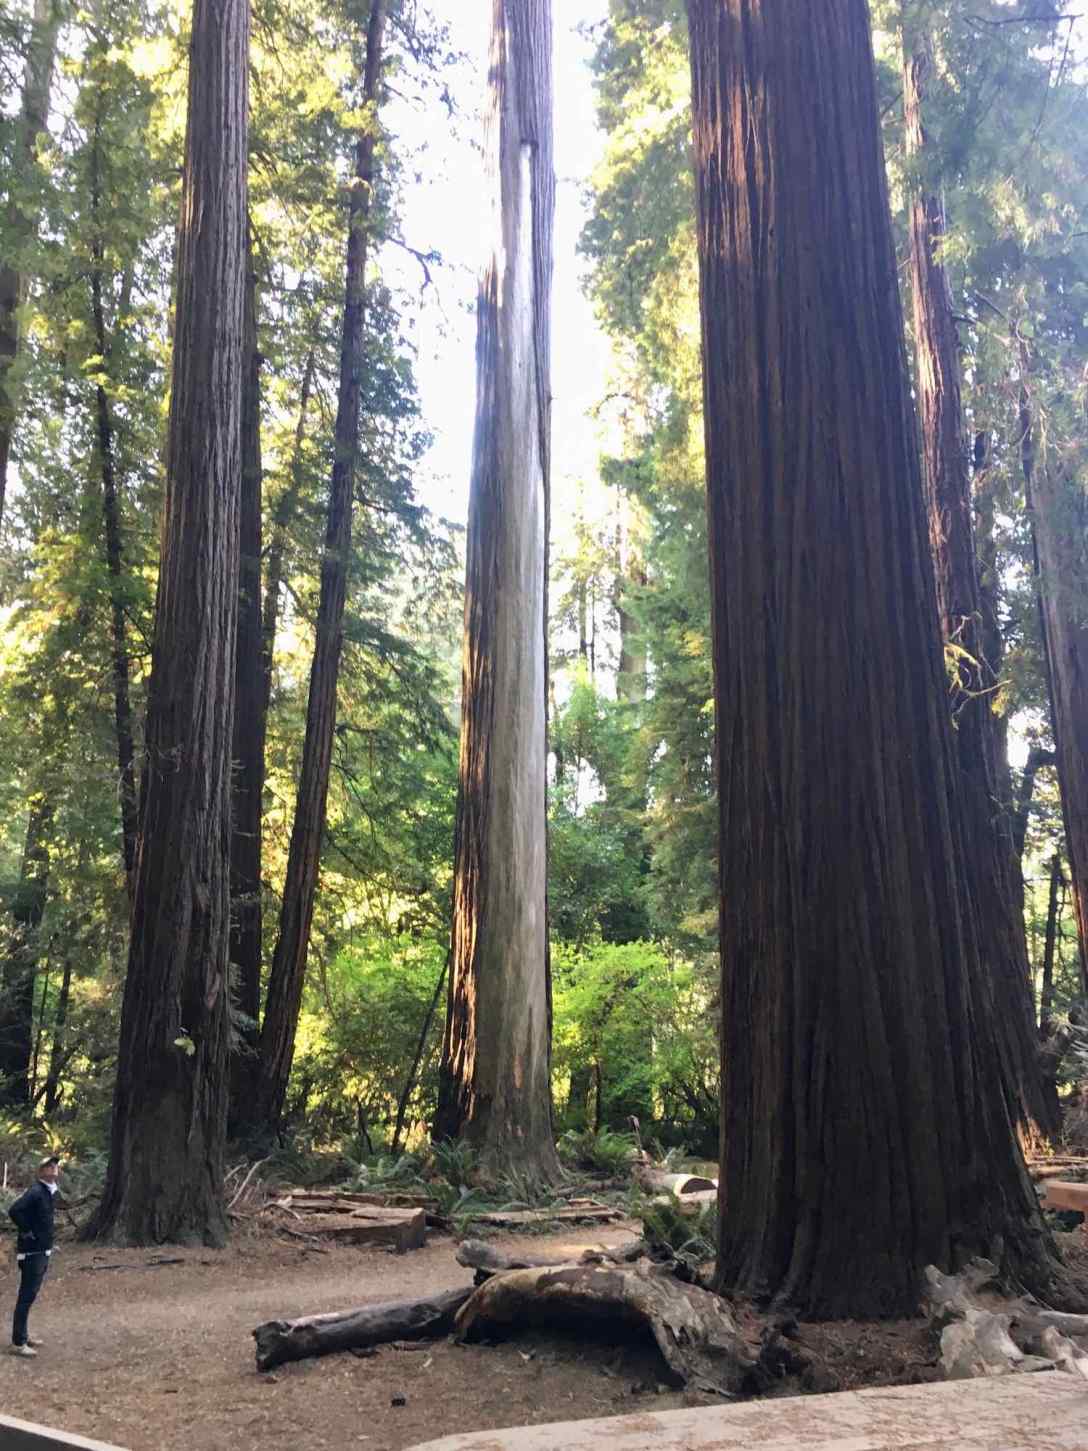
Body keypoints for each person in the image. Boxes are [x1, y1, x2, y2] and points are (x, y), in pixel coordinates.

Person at [7, 1155, 60, 1358]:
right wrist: (27, 1231)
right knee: (26, 1296)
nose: (54, 1168)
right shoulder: (36, 1191)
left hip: (41, 1250)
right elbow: (15, 1210)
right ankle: (18, 1343)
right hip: (32, 1252)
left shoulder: (47, 1192)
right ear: (41, 1171)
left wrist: (47, 1242)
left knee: (30, 1295)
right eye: (49, 1165)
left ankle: (23, 1335)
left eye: (55, 1165)